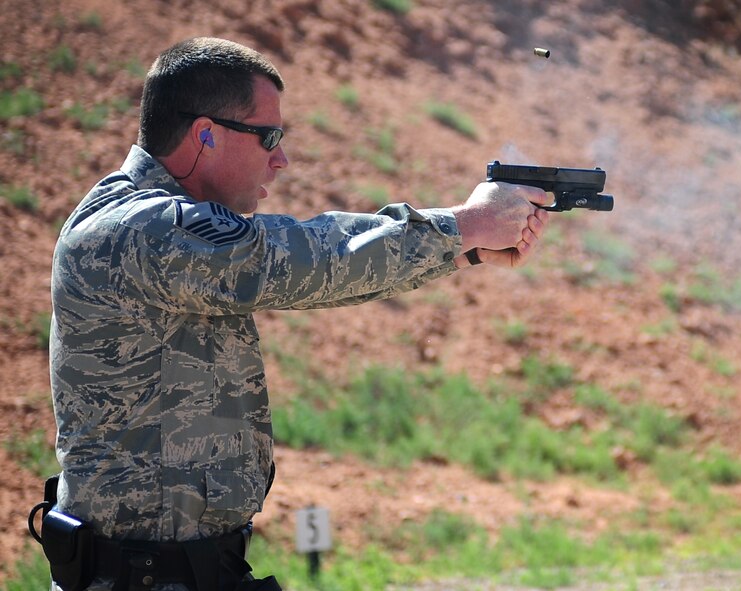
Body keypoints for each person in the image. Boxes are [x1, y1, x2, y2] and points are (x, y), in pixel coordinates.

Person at [43, 37, 548, 591]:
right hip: (139, 577)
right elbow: (303, 260)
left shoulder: (163, 231)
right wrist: (463, 225)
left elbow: (317, 277)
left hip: (191, 571)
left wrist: (464, 247)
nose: (279, 158)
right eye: (268, 137)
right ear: (205, 134)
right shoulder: (135, 228)